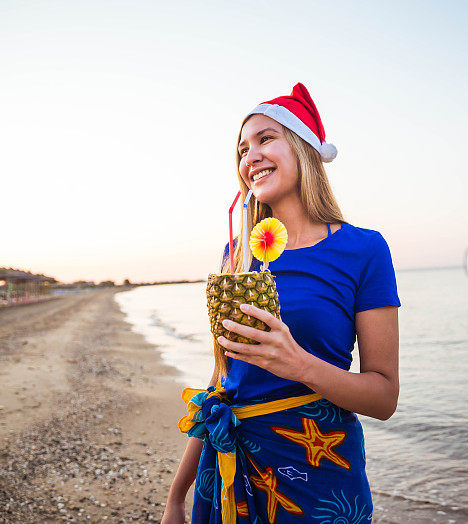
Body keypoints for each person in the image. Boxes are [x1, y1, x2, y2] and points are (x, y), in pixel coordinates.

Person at [162, 83, 401, 523]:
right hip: (232, 469)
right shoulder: (237, 255)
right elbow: (221, 380)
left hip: (322, 475)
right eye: (242, 149)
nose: (249, 156)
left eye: (266, 138)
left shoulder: (364, 250)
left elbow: (384, 397)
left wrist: (300, 365)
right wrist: (177, 496)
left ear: (305, 149)